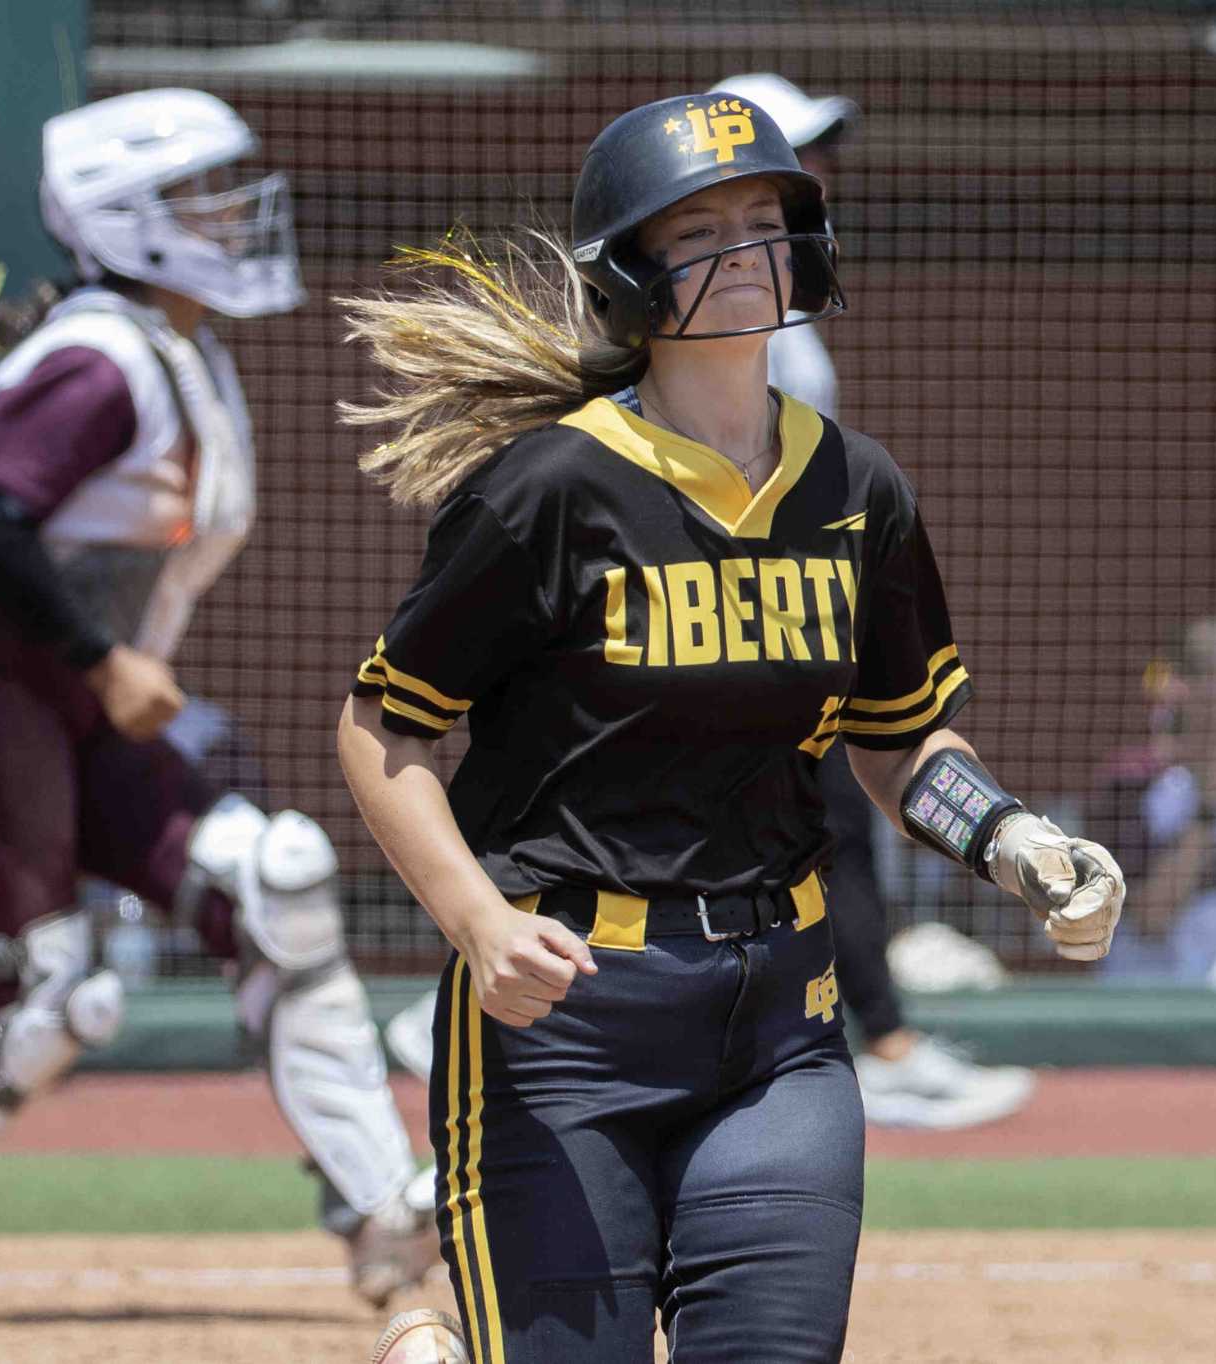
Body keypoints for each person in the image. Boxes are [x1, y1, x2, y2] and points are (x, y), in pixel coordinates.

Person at [335, 92, 1125, 1361]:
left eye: (767, 221)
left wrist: (1016, 842)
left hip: (778, 1023)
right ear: (629, 276)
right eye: (700, 231)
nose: (749, 250)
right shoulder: (547, 489)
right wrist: (475, 922)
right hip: (562, 1023)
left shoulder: (855, 486)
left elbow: (897, 739)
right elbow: (384, 730)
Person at [0, 88, 438, 1321]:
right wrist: (105, 662)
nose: (235, 212)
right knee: (48, 996)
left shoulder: (159, 343)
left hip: (46, 683)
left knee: (267, 880)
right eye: (203, 193)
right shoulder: (107, 359)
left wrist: (94, 667)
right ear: (130, 219)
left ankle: (383, 1212)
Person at [719, 71, 1036, 1128]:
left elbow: (910, 753)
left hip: (795, 634)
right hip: (727, 640)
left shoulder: (799, 345)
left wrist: (1005, 836)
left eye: (813, 169)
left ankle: (879, 1039)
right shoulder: (703, 344)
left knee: (843, 821)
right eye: (786, 170)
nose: (818, 184)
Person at [1090, 618, 1216, 986]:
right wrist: (1213, 802)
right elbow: (1149, 916)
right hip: (1151, 1001)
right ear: (1185, 686)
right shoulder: (1130, 781)